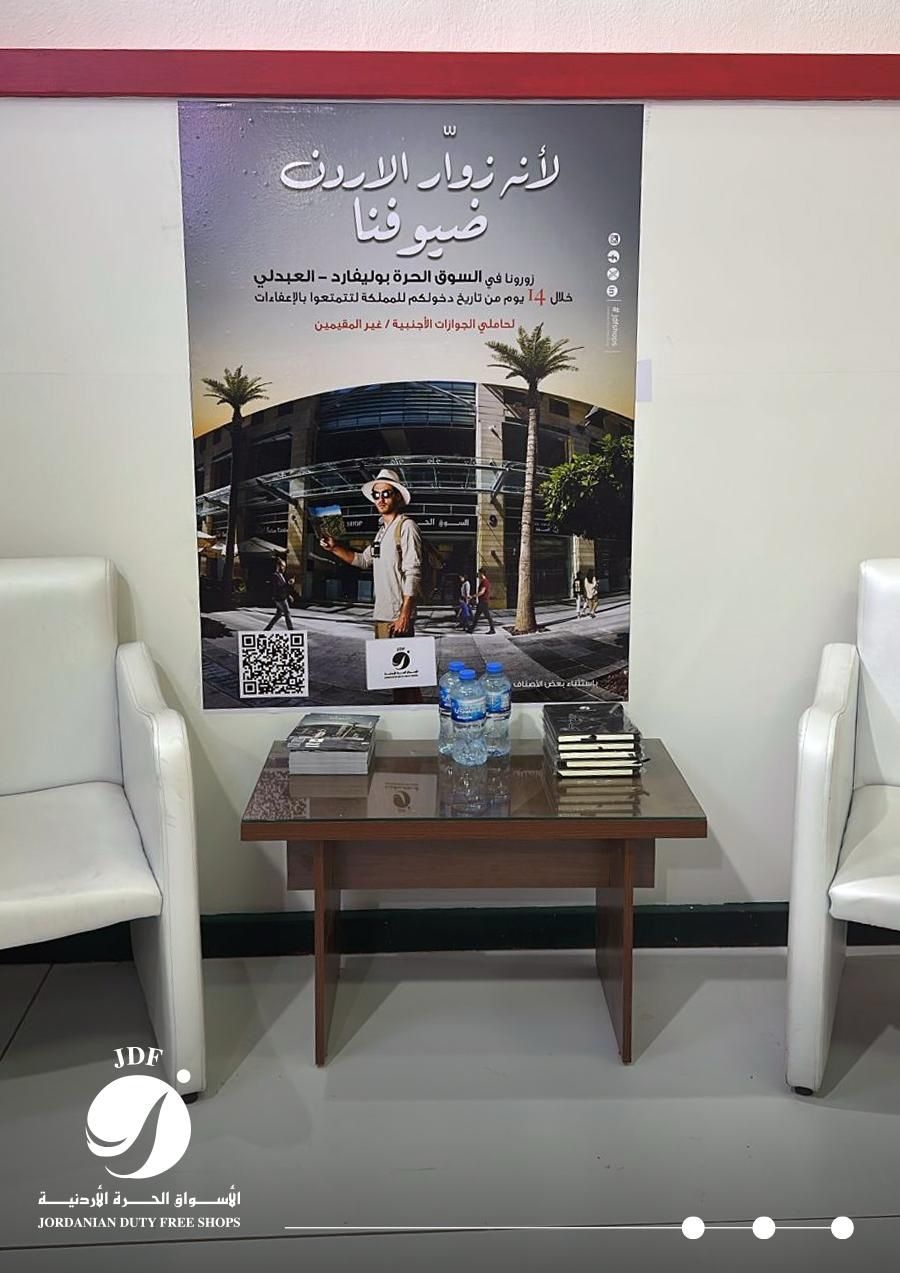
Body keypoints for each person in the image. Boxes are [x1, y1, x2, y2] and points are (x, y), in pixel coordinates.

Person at [319, 467, 423, 701]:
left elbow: (413, 572)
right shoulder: (381, 533)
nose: (381, 499)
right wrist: (334, 548)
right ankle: (403, 712)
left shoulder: (406, 527)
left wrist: (405, 614)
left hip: (397, 616)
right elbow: (363, 560)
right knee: (394, 677)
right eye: (376, 495)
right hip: (382, 615)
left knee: (405, 678)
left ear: (398, 496)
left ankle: (413, 715)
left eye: (386, 493)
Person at [263, 557, 294, 630]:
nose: (283, 568)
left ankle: (267, 629)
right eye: (282, 566)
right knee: (287, 613)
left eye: (284, 566)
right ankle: (291, 630)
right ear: (278, 566)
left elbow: (284, 588)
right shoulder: (275, 575)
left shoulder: (281, 575)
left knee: (279, 614)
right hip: (280, 598)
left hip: (282, 597)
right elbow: (279, 587)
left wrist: (288, 595)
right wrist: (288, 583)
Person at [468, 567, 496, 634]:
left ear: (482, 573)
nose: (478, 575)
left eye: (479, 573)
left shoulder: (484, 582)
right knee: (477, 616)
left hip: (483, 601)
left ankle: (492, 629)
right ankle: (471, 629)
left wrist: (473, 596)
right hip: (482, 601)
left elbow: (482, 592)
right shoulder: (484, 581)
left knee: (487, 616)